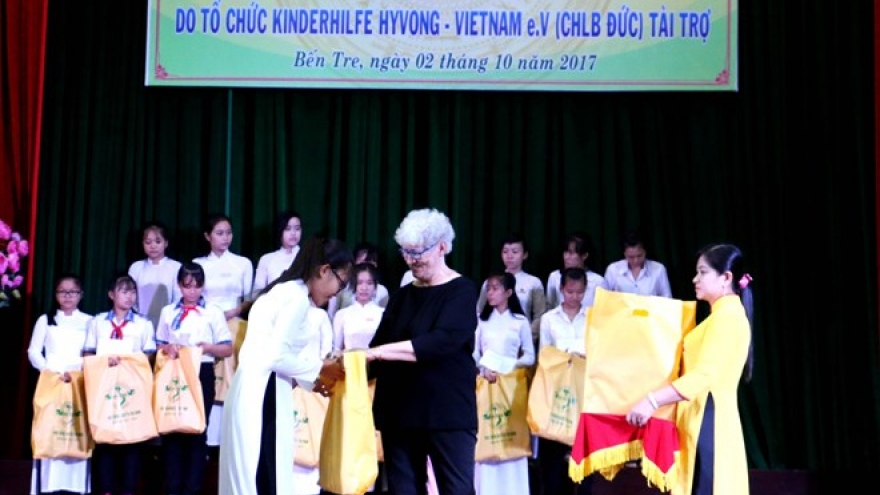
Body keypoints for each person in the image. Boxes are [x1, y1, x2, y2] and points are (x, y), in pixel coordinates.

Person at [218, 237, 351, 495]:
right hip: (264, 393)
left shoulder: (281, 291)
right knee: (264, 476)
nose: (338, 292)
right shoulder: (296, 298)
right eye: (341, 283)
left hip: (251, 387)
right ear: (324, 270)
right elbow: (276, 356)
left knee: (249, 475)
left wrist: (314, 380)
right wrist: (321, 369)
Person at [364, 208, 479, 495]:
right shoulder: (402, 296)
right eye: (406, 252)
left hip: (447, 414)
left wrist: (378, 353)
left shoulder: (461, 290)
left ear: (442, 247)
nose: (411, 260)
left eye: (418, 252)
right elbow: (375, 351)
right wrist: (343, 366)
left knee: (457, 490)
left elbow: (441, 341)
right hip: (400, 415)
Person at [626, 243, 753, 495]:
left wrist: (652, 401)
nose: (695, 279)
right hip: (701, 414)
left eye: (703, 272)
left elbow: (703, 376)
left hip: (710, 417)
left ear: (726, 278)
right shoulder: (721, 315)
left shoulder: (727, 317)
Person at [155, 262, 233, 495]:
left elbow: (227, 349)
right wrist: (167, 347)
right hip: (174, 373)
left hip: (201, 373)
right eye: (187, 286)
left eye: (197, 286)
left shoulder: (213, 312)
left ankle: (193, 488)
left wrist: (208, 347)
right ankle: (172, 486)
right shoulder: (168, 312)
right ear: (179, 285)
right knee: (172, 429)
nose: (192, 291)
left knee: (197, 430)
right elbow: (158, 344)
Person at [83, 272, 157, 495]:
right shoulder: (97, 322)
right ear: (111, 294)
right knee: (106, 438)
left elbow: (151, 355)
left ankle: (128, 489)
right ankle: (105, 489)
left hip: (132, 389)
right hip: (105, 387)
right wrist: (105, 360)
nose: (129, 296)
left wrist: (128, 360)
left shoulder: (143, 324)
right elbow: (88, 352)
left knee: (131, 439)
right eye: (124, 291)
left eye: (132, 291)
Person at [27, 273, 92, 495]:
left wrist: (78, 371)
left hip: (78, 381)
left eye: (72, 292)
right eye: (62, 292)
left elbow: (92, 352)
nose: (67, 296)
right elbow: (34, 351)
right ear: (56, 295)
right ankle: (46, 485)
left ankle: (76, 485)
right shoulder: (46, 320)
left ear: (80, 295)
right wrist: (50, 371)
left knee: (75, 428)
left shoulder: (89, 321)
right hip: (52, 382)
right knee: (50, 429)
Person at [193, 213, 254, 447]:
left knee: (233, 381)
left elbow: (249, 299)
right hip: (206, 325)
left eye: (228, 232)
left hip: (235, 324)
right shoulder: (200, 264)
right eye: (219, 233)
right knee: (209, 380)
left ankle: (232, 438)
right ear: (208, 236)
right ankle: (207, 440)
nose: (225, 238)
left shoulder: (242, 263)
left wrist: (232, 312)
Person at [472, 272, 534, 495]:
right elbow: (474, 353)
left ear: (508, 292)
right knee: (488, 432)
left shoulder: (519, 322)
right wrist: (483, 368)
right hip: (486, 385)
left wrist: (509, 365)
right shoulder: (482, 320)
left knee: (511, 432)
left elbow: (530, 356)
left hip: (511, 386)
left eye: (496, 288)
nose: (491, 293)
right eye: (488, 288)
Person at [537, 267, 592, 495]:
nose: (574, 297)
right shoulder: (549, 319)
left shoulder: (591, 317)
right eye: (570, 291)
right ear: (561, 290)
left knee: (583, 455)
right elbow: (544, 354)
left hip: (584, 390)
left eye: (579, 292)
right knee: (554, 453)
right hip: (557, 387)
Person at [476, 233, 545, 323]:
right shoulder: (489, 282)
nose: (509, 256)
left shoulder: (534, 282)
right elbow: (479, 311)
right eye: (505, 252)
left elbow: (540, 315)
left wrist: (527, 335)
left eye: (515, 252)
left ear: (524, 255)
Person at [128, 221, 182, 330]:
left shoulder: (176, 267)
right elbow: (130, 297)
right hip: (140, 322)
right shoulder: (136, 267)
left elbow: (178, 298)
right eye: (148, 242)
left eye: (158, 242)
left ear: (166, 243)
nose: (153, 246)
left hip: (168, 322)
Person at [332, 262, 386, 353]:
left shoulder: (383, 314)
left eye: (369, 283)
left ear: (375, 286)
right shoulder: (342, 314)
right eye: (360, 283)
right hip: (350, 364)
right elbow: (336, 349)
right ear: (354, 285)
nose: (364, 288)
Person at [602, 230, 672, 297]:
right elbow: (604, 300)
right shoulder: (613, 270)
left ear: (645, 252)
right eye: (631, 257)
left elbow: (668, 300)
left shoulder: (658, 269)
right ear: (624, 254)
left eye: (639, 255)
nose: (636, 260)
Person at [545, 232, 604, 310]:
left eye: (571, 253)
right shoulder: (554, 276)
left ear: (584, 255)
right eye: (565, 252)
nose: (567, 257)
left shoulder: (598, 281)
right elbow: (550, 306)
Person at [253, 210, 303, 295]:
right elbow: (257, 293)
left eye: (297, 229)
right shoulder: (267, 259)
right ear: (280, 230)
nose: (293, 233)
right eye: (288, 229)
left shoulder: (308, 257)